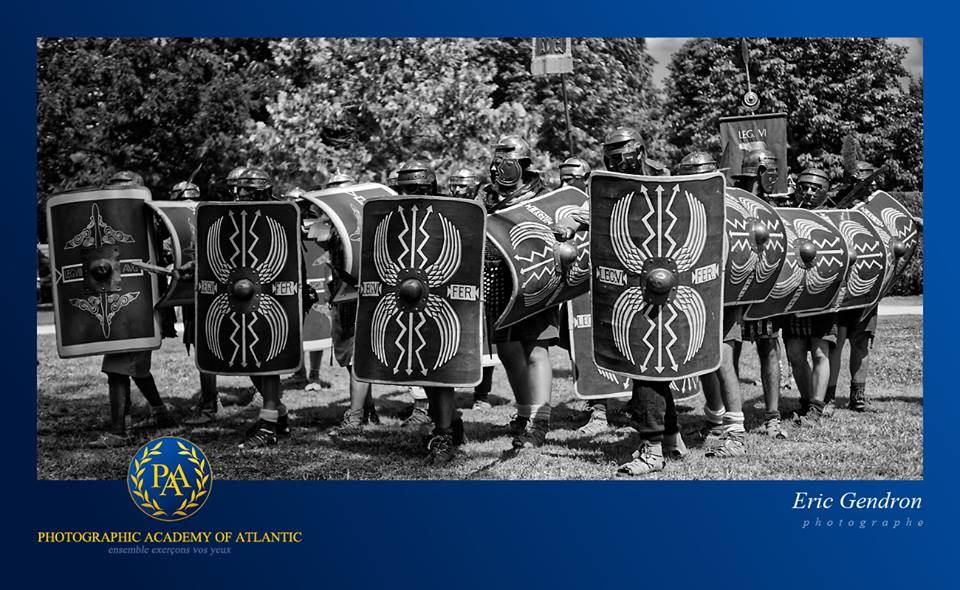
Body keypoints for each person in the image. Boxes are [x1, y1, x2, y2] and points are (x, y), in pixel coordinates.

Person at [476, 135, 561, 450]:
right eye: (497, 162)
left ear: (523, 165)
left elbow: (559, 230)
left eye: (506, 162)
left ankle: (540, 421)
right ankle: (525, 413)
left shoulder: (543, 196)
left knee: (536, 348)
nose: (500, 168)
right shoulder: (485, 196)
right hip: (498, 279)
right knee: (509, 351)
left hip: (534, 276)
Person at [225, 167, 315, 448]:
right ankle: (280, 415)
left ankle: (268, 427)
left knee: (268, 361)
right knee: (251, 360)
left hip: (282, 296)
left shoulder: (283, 214)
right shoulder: (238, 218)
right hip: (247, 296)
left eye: (246, 192)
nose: (240, 197)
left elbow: (283, 261)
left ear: (260, 192)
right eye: (238, 191)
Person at [90, 171, 177, 448]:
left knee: (118, 368)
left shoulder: (153, 219)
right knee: (136, 367)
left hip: (139, 303)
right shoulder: (104, 227)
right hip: (118, 301)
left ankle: (118, 432)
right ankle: (161, 413)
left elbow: (167, 244)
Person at [730, 148, 789, 440]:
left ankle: (772, 417)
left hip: (765, 288)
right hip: (738, 289)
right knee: (731, 350)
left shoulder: (775, 208)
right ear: (759, 172)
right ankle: (729, 415)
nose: (776, 178)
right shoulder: (733, 203)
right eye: (771, 172)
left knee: (769, 347)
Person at [784, 167, 838, 426]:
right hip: (793, 295)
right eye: (804, 186)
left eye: (815, 188)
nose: (808, 192)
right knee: (795, 354)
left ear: (824, 191)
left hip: (822, 295)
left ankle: (816, 407)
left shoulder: (833, 219)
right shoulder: (788, 217)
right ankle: (806, 402)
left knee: (820, 352)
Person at [828, 161, 879, 412]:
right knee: (835, 342)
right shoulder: (835, 206)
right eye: (856, 182)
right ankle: (828, 396)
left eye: (865, 182)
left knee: (861, 341)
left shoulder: (879, 209)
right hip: (840, 286)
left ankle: (858, 397)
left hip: (868, 285)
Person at [447, 166, 498, 410]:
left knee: (485, 342)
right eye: (454, 185)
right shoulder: (446, 207)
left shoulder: (487, 208)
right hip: (453, 280)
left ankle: (482, 395)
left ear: (474, 186)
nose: (456, 189)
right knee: (451, 336)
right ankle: (449, 390)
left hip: (483, 279)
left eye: (462, 185)